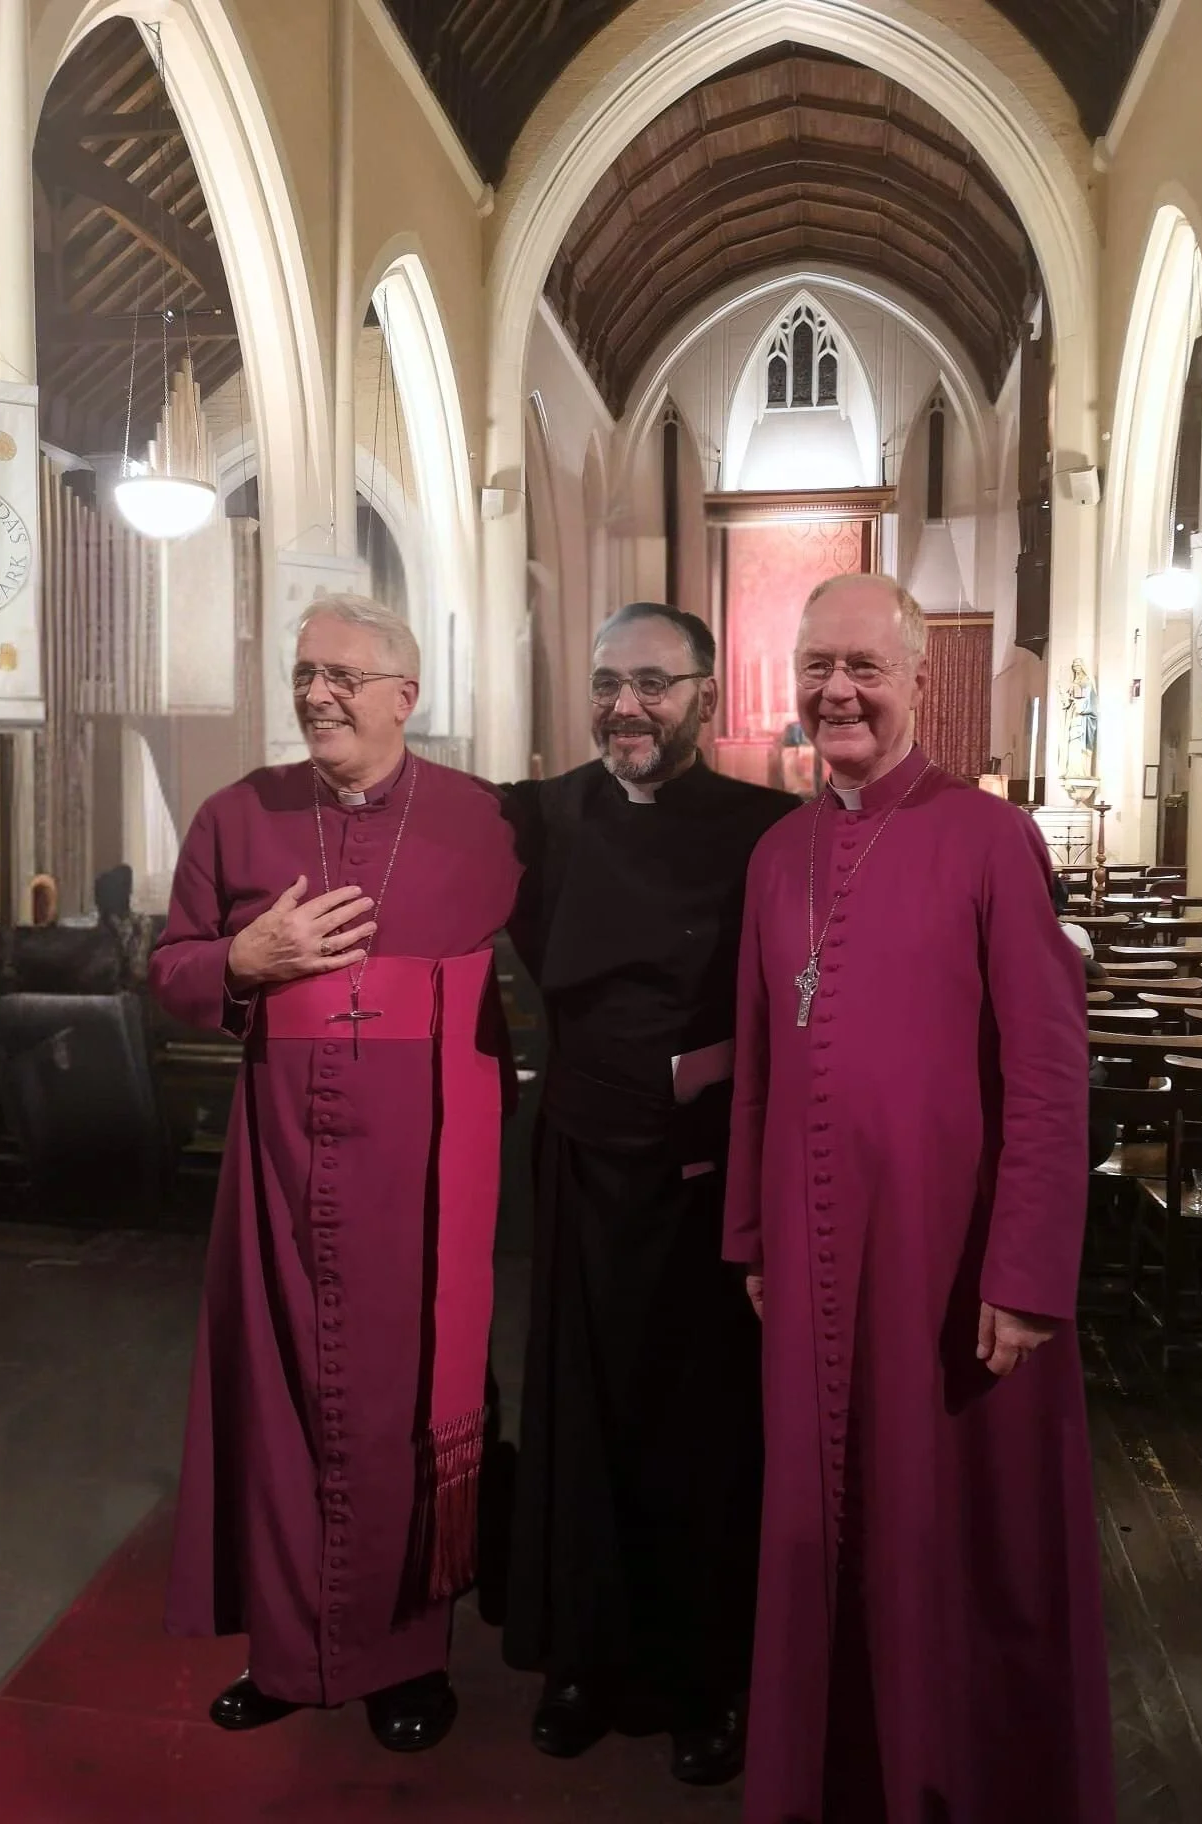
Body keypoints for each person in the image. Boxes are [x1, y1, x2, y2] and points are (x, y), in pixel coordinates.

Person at [724, 574, 1114, 1823]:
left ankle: (957, 1779)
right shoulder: (777, 855)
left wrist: (1029, 1269)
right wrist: (750, 1237)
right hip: (813, 1253)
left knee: (953, 1533)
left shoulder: (989, 839)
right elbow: (757, 1063)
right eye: (819, 667)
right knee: (823, 1530)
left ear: (914, 679)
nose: (839, 692)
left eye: (866, 668)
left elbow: (1054, 1074)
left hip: (951, 1265)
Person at [147, 595, 521, 1753]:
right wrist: (242, 962)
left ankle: (404, 1663)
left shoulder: (486, 825)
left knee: (406, 1410)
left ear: (407, 696)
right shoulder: (234, 815)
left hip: (418, 1179)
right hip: (274, 1168)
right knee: (275, 1402)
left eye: (344, 677)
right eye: (305, 674)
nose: (316, 695)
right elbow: (169, 969)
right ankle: (286, 1652)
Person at [502, 603, 794, 1787]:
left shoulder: (771, 831)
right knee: (580, 1416)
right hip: (579, 1152)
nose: (628, 706)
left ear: (707, 700)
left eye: (656, 686)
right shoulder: (536, 819)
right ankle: (583, 1661)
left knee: (703, 1428)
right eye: (610, 682)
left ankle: (704, 1677)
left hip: (711, 1168)